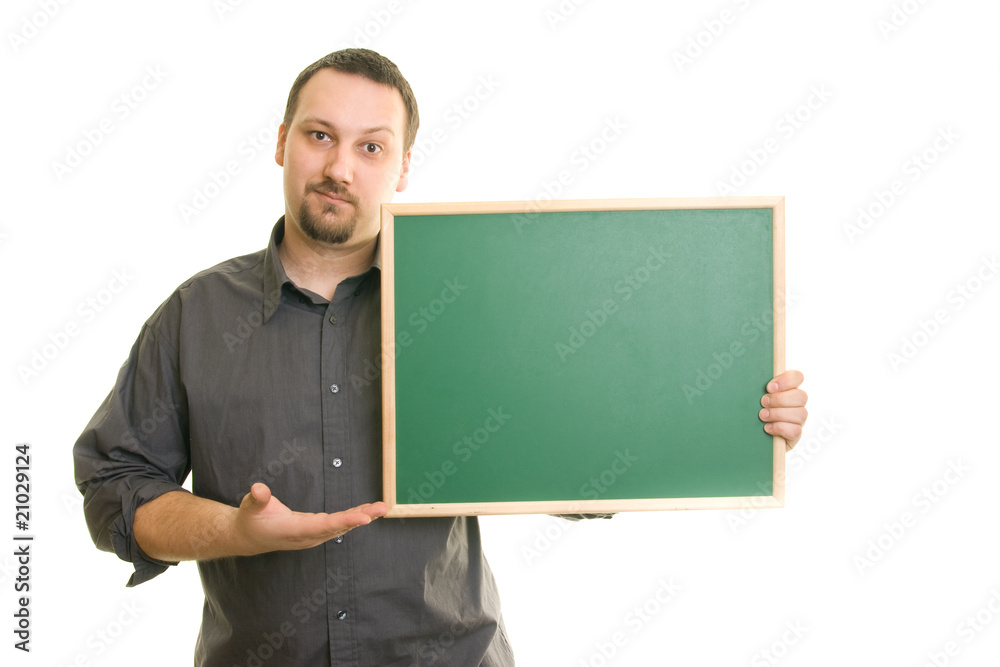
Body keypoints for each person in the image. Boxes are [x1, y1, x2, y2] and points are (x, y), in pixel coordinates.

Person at [73, 48, 808, 666]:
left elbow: (588, 452)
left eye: (371, 146)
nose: (340, 167)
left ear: (402, 166)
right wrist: (234, 530)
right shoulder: (196, 316)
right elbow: (116, 485)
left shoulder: (472, 300)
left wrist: (739, 417)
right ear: (280, 141)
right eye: (319, 135)